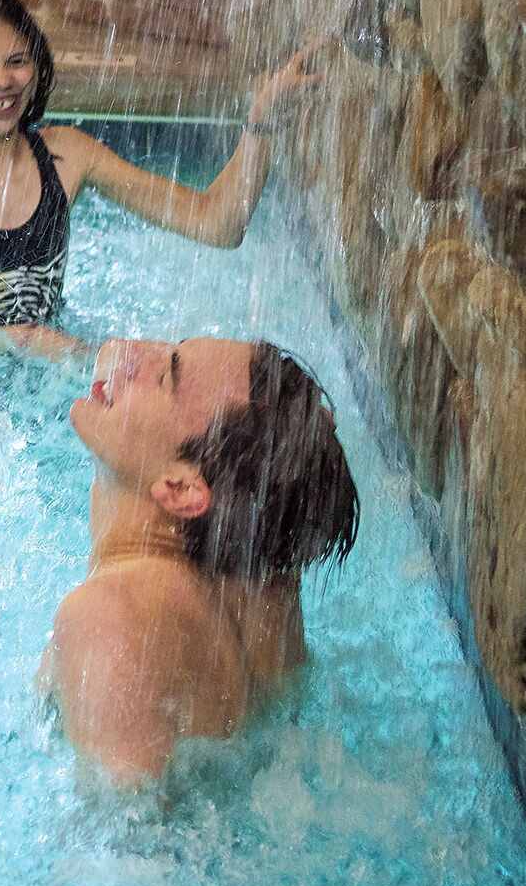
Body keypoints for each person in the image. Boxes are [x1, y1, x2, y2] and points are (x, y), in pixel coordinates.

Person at [0, 0, 328, 356]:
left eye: (17, 61)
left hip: (53, 386)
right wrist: (13, 342)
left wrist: (265, 121)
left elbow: (218, 224)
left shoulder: (68, 157)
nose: (3, 81)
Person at [40, 335, 361, 785]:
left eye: (164, 377)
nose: (131, 349)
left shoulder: (105, 619)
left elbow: (116, 842)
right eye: (173, 345)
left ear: (181, 489)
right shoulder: (262, 586)